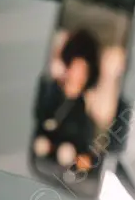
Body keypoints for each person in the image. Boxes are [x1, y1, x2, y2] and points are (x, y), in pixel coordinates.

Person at [33, 28, 102, 171]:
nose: (77, 76)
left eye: (83, 72)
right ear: (67, 68)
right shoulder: (51, 91)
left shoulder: (83, 108)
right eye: (75, 69)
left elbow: (87, 149)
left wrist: (83, 158)